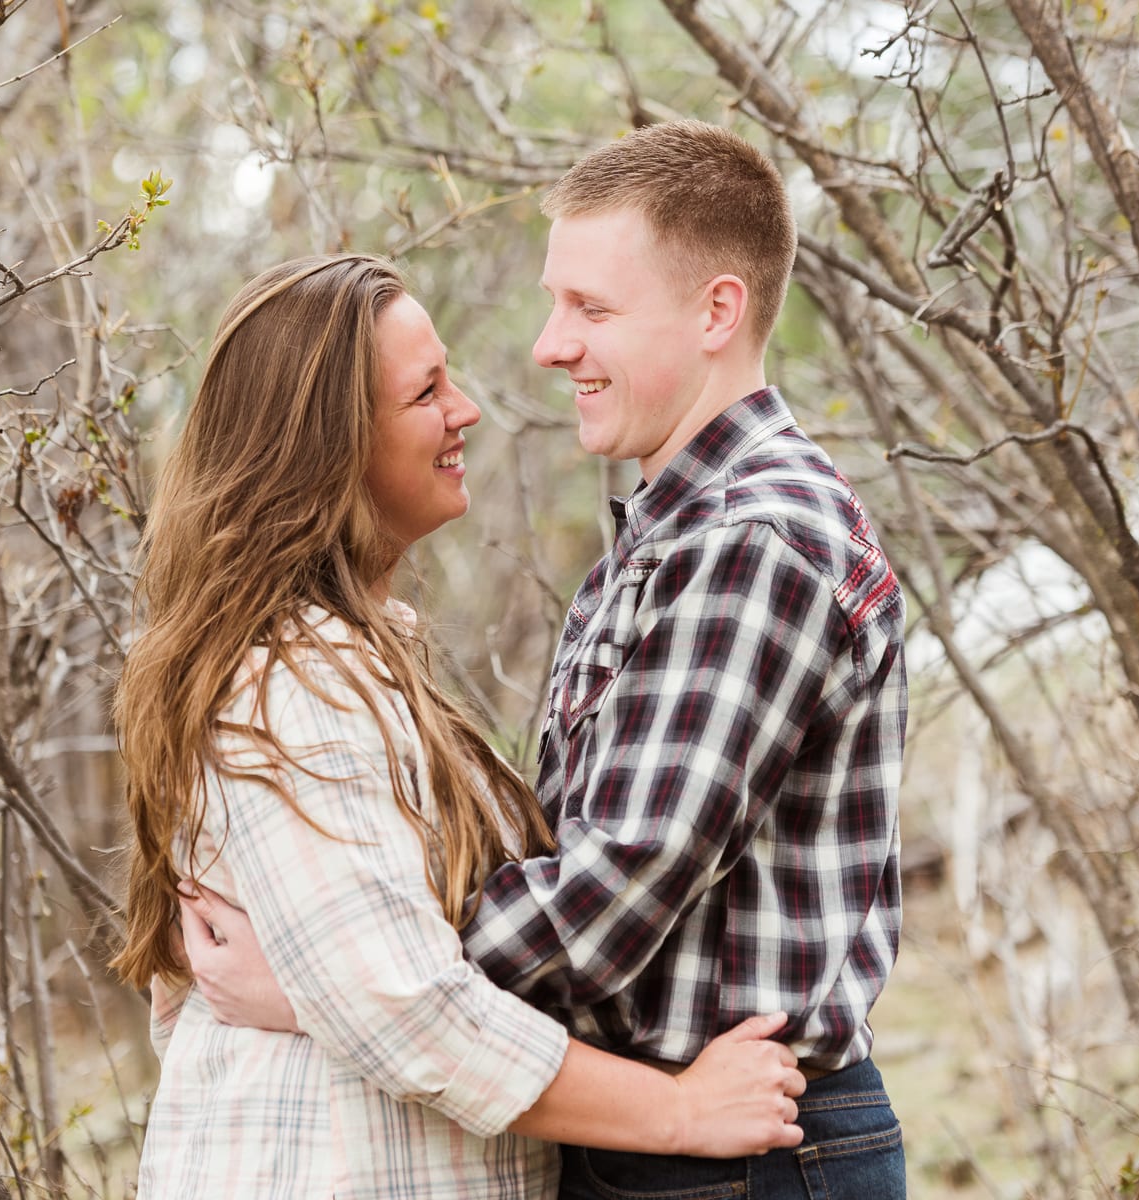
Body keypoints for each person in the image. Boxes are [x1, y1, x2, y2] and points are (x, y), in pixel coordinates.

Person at [184, 121, 910, 1198]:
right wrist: (370, 984)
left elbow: (612, 889)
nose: (548, 345)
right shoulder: (673, 533)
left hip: (738, 1153)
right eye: (553, 302)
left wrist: (338, 986)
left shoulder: (751, 543)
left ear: (716, 312)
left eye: (591, 309)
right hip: (678, 1139)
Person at [111, 253, 809, 1197]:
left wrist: (315, 993)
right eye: (426, 391)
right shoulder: (294, 680)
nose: (467, 408)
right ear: (329, 447)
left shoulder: (360, 659)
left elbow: (380, 984)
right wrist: (679, 1111)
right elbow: (399, 1003)